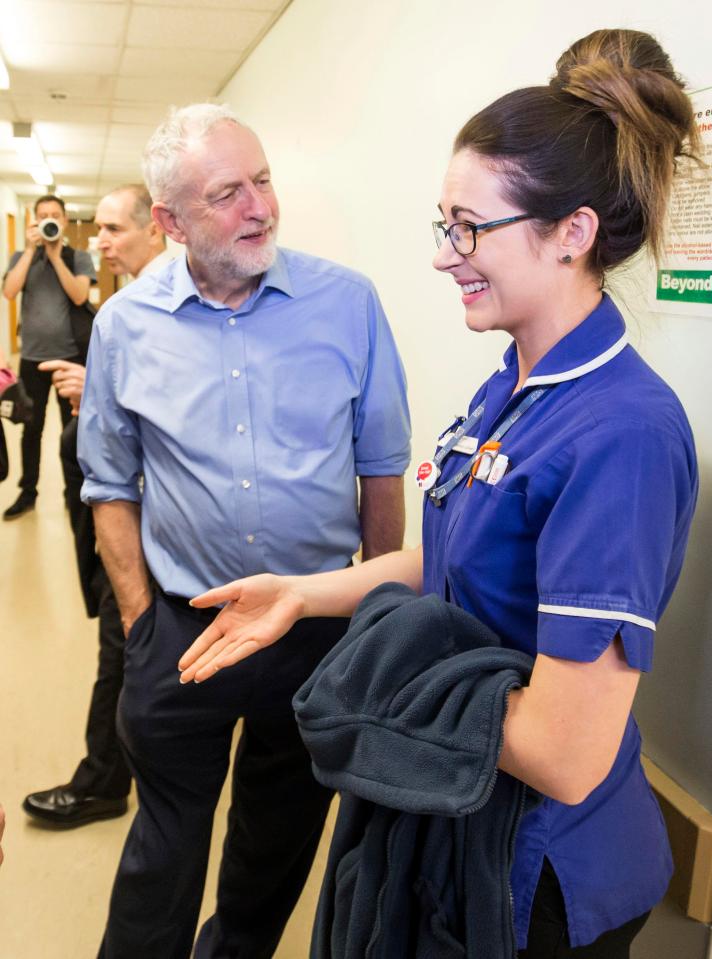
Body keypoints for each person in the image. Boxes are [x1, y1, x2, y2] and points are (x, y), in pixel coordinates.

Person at [179, 29, 701, 959]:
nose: (443, 254)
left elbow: (564, 752)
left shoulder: (622, 434)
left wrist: (379, 677)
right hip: (456, 821)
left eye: (470, 227)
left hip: (535, 874)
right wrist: (305, 593)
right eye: (443, 223)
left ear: (573, 233)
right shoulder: (513, 383)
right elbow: (457, 554)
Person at [76, 104, 411, 958]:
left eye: (262, 180)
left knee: (277, 838)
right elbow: (110, 486)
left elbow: (381, 469)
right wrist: (140, 621)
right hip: (183, 630)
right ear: (169, 221)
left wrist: (375, 625)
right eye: (228, 193)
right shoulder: (125, 326)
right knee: (166, 846)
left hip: (313, 625)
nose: (260, 207)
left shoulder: (348, 304)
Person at [22, 185, 172, 828]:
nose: (99, 242)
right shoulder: (134, 299)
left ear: (157, 229)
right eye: (98, 230)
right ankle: (113, 772)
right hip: (126, 505)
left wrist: (97, 390)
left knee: (122, 647)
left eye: (112, 230)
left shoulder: (158, 303)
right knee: (121, 645)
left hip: (146, 516)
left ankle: (102, 781)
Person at [1, 194, 96, 519]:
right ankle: (28, 492)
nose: (50, 220)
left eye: (55, 215)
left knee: (75, 429)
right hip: (31, 359)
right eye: (43, 216)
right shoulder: (21, 257)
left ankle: (82, 491)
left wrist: (56, 257)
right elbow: (9, 291)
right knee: (32, 429)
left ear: (64, 220)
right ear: (35, 222)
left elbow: (80, 295)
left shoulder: (78, 257)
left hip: (70, 358)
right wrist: (30, 251)